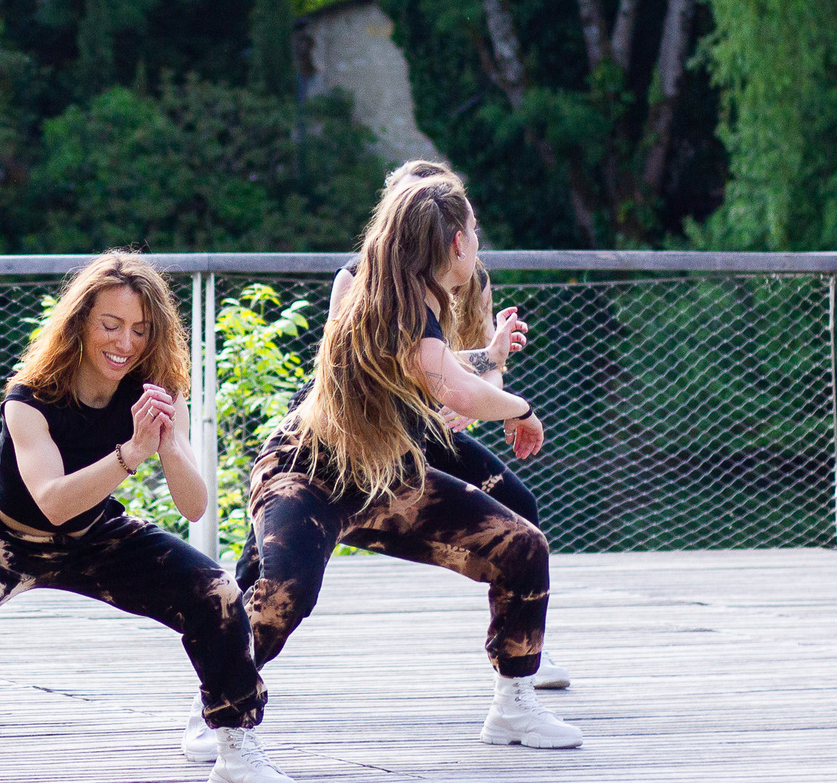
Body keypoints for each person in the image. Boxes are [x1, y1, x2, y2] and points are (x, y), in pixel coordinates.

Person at [0, 250, 298, 783]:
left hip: (95, 533)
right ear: (80, 323)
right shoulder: (29, 396)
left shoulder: (152, 388)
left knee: (216, 591)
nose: (124, 342)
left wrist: (166, 440)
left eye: (139, 329)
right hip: (0, 533)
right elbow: (53, 503)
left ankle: (234, 746)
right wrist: (131, 454)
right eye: (110, 325)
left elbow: (195, 503)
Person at [236, 169, 583, 751]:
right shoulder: (377, 293)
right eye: (473, 230)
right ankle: (217, 707)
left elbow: (440, 372)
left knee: (521, 543)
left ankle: (515, 705)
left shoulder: (418, 297)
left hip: (387, 471)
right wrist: (520, 409)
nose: (478, 241)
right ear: (456, 242)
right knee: (284, 588)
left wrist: (485, 362)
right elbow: (454, 390)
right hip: (313, 469)